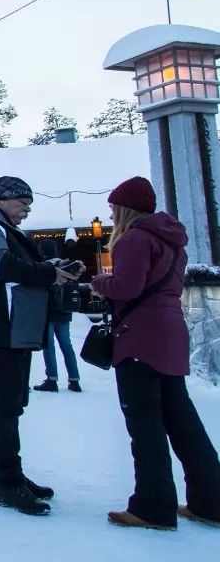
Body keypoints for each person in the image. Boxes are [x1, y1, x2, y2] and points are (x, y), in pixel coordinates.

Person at [90, 176, 220, 530]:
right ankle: (210, 500)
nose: (111, 215)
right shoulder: (174, 242)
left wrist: (99, 282)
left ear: (124, 210)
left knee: (144, 423)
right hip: (170, 333)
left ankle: (152, 505)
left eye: (113, 209)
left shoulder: (134, 239)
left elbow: (127, 287)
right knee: (183, 423)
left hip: (139, 338)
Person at [0, 176, 80, 516]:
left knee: (12, 404)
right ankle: (5, 482)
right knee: (3, 405)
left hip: (15, 326)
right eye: (22, 202)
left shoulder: (3, 228)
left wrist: (53, 267)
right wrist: (48, 274)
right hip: (0, 325)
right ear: (2, 199)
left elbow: (17, 265)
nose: (27, 209)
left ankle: (13, 473)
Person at [33, 239, 82, 393]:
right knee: (67, 345)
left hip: (48, 311)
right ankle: (74, 380)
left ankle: (52, 379)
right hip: (64, 311)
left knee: (49, 346)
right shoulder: (66, 265)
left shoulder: (44, 267)